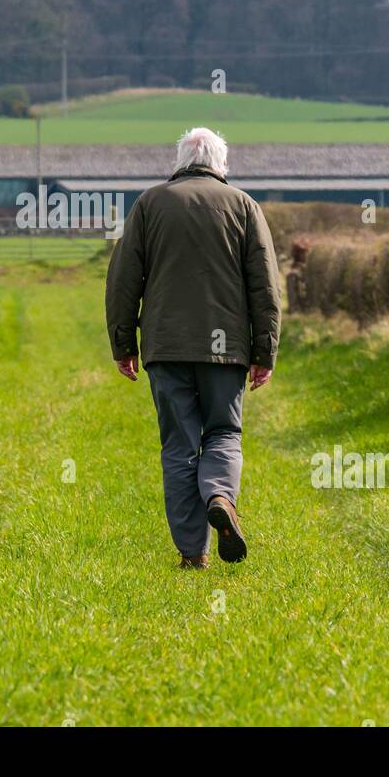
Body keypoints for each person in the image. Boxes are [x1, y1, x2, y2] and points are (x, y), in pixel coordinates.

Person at [105, 127, 282, 568]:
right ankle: (221, 495)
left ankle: (192, 554)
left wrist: (123, 343)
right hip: (227, 351)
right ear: (221, 164)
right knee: (223, 432)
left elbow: (123, 281)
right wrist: (265, 352)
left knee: (179, 447)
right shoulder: (244, 206)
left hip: (166, 348)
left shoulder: (150, 204)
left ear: (179, 161)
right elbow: (266, 286)